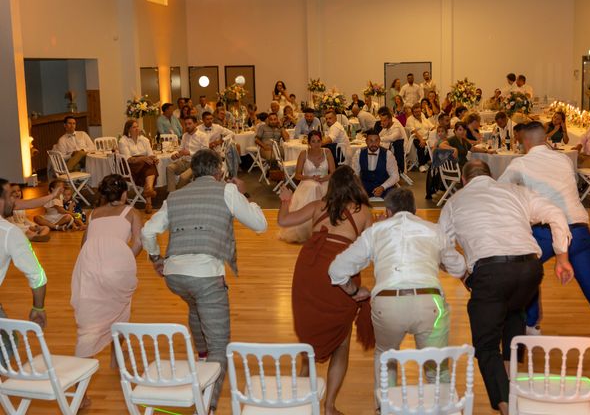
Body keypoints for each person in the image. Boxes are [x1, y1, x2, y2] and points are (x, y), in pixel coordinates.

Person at [499, 121, 590, 370]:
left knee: (524, 273)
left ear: (525, 142)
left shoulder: (519, 163)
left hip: (545, 233)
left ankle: (530, 326)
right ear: (545, 139)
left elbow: (499, 192)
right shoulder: (564, 160)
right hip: (579, 231)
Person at [439, 160, 573, 415]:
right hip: (530, 270)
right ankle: (511, 384)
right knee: (514, 314)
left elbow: (441, 247)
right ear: (492, 176)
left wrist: (463, 274)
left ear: (464, 180)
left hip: (491, 272)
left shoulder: (454, 202)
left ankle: (506, 407)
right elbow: (556, 213)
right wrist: (562, 256)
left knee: (486, 344)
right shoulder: (515, 191)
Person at [142, 149, 267, 413]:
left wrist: (156, 259)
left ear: (195, 171)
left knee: (194, 304)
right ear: (218, 171)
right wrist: (244, 194)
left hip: (175, 276)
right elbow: (260, 224)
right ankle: (207, 406)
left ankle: (201, 356)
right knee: (220, 348)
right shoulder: (227, 191)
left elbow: (147, 231)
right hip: (206, 276)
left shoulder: (175, 196)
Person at [329, 188, 465, 393]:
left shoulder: (375, 232)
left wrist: (354, 291)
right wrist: (436, 260)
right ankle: (443, 406)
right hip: (430, 304)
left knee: (386, 356)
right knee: (436, 367)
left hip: (387, 303)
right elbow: (459, 267)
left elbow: (337, 270)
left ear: (388, 211)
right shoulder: (434, 230)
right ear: (415, 211)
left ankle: (385, 407)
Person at [277, 166, 374, 415]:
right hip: (339, 276)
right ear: (355, 185)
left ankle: (301, 404)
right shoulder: (362, 211)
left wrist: (285, 200)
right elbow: (370, 251)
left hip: (309, 271)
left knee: (308, 343)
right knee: (341, 343)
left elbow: (283, 221)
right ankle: (329, 406)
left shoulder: (319, 205)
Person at [71, 174, 142, 368]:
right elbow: (138, 242)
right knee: (120, 311)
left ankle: (82, 388)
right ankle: (115, 358)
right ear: (125, 193)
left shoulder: (94, 213)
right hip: (116, 265)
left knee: (89, 321)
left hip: (89, 263)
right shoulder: (131, 212)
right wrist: (123, 258)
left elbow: (84, 243)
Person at [0, 177, 48, 352]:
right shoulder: (9, 232)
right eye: (11, 196)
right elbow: (38, 276)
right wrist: (38, 307)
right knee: (8, 344)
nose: (15, 201)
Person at [280, 130, 336, 243]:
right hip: (307, 182)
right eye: (313, 141)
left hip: (325, 182)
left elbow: (333, 172)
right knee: (312, 187)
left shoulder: (327, 152)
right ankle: (308, 229)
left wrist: (323, 178)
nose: (316, 144)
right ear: (309, 142)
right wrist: (310, 178)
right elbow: (297, 175)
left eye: (319, 141)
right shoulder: (303, 154)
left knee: (318, 187)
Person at [119, 119, 159, 213]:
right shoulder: (123, 141)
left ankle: (148, 191)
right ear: (128, 129)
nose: (137, 129)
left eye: (137, 127)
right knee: (148, 164)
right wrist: (143, 158)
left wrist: (154, 158)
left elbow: (150, 154)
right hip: (130, 167)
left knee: (150, 164)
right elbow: (129, 159)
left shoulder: (144, 140)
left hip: (144, 167)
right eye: (134, 127)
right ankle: (149, 196)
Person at [166, 115, 210, 192]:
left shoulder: (203, 136)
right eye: (185, 124)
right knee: (169, 168)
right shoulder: (185, 136)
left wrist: (190, 153)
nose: (187, 126)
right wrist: (176, 154)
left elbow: (205, 153)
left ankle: (179, 194)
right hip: (184, 161)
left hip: (197, 163)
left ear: (195, 124)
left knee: (183, 177)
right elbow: (180, 149)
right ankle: (172, 193)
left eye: (189, 124)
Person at [351, 130, 399, 198]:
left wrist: (382, 187)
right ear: (366, 142)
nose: (373, 144)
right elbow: (355, 174)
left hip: (383, 185)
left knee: (396, 196)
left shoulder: (388, 154)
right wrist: (359, 187)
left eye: (376, 140)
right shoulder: (358, 153)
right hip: (365, 186)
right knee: (351, 194)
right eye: (370, 141)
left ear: (379, 141)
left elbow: (395, 176)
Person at [378, 108, 407, 173]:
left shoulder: (396, 127)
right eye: (381, 121)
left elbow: (392, 138)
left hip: (398, 153)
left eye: (384, 120)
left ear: (390, 119)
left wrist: (379, 139)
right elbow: (379, 135)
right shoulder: (386, 128)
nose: (382, 123)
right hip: (390, 151)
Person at [406, 103, 433, 172]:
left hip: (427, 139)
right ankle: (421, 165)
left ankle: (427, 161)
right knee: (421, 146)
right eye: (415, 112)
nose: (418, 113)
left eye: (419, 111)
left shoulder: (423, 117)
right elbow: (413, 131)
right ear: (413, 113)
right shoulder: (410, 119)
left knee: (435, 144)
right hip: (415, 138)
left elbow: (432, 127)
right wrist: (421, 139)